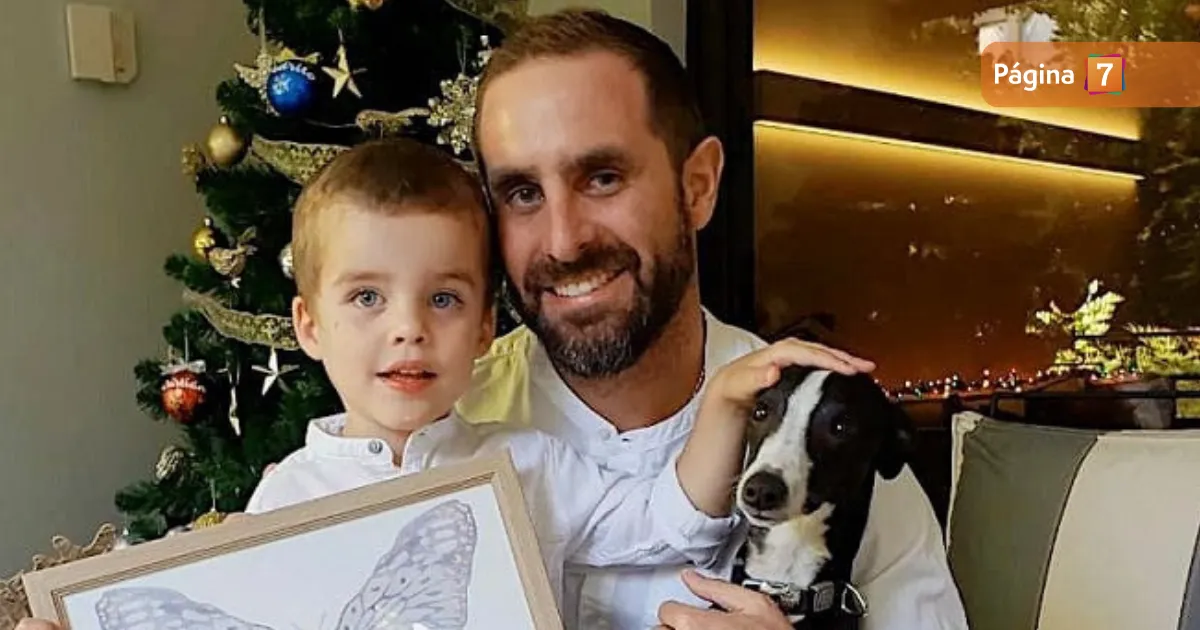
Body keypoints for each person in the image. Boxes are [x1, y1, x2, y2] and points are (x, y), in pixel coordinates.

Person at [14, 138, 867, 630]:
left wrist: (724, 403)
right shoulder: (283, 498)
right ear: (309, 326)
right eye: (366, 297)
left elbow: (666, 521)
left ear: (487, 326)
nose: (409, 327)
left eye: (445, 298)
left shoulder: (531, 462)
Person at [455, 8, 970, 630]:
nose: (564, 242)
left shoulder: (838, 437)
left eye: (603, 178)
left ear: (698, 186)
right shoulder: (436, 429)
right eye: (522, 193)